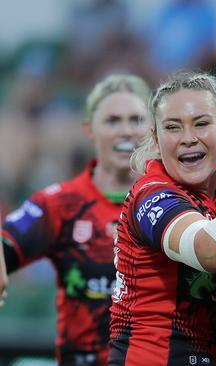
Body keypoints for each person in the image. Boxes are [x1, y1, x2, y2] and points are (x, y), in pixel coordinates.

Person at [108, 72, 216, 366]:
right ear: (156, 138)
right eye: (172, 128)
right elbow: (209, 252)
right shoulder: (150, 195)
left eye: (201, 123)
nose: (188, 139)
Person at [0, 74, 151, 366]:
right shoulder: (58, 203)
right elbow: (5, 245)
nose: (126, 131)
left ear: (153, 129)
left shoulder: (173, 202)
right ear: (89, 129)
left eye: (136, 119)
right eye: (112, 120)